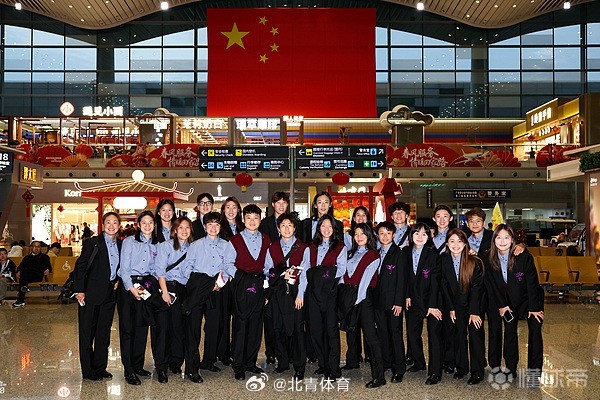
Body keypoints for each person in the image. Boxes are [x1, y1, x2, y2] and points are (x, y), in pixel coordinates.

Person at [465, 207, 525, 374]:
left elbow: (511, 245)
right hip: (476, 291)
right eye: (471, 221)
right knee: (483, 329)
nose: (475, 224)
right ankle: (489, 362)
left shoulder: (495, 237)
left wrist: (521, 245)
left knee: (502, 328)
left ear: (484, 222)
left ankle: (508, 365)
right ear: (467, 224)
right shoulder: (463, 240)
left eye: (478, 221)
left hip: (495, 291)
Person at [484, 224, 544, 384]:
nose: (502, 241)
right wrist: (502, 305)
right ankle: (511, 369)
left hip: (530, 299)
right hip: (507, 301)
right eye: (498, 237)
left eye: (506, 237)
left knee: (535, 330)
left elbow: (532, 283)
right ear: (494, 240)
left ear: (512, 240)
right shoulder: (489, 258)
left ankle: (534, 373)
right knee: (510, 331)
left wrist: (534, 308)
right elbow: (491, 285)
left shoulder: (523, 257)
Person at [183, 211, 236, 378]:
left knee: (214, 327)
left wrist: (220, 283)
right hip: (198, 288)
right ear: (205, 227)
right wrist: (195, 285)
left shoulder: (227, 245)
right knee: (193, 329)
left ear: (220, 227)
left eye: (217, 224)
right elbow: (188, 267)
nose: (213, 228)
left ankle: (208, 361)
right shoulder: (195, 245)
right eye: (210, 224)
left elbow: (229, 266)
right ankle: (192, 368)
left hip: (216, 289)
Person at [73, 212, 122, 381]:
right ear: (102, 225)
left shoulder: (121, 244)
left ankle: (100, 367)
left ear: (119, 226)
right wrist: (80, 290)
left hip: (109, 293)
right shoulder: (93, 243)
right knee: (87, 333)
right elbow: (80, 266)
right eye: (108, 222)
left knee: (103, 333)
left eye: (115, 223)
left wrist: (117, 279)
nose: (111, 226)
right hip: (90, 293)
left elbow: (119, 267)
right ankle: (88, 371)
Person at [338, 223, 385, 388]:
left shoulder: (373, 255)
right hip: (350, 297)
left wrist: (355, 302)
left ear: (369, 235)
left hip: (364, 299)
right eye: (356, 234)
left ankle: (379, 376)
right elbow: (343, 275)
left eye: (362, 234)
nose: (359, 237)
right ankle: (353, 362)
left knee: (371, 337)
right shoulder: (350, 253)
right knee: (351, 332)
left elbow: (366, 281)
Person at [116, 211, 160, 385]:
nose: (147, 226)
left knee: (142, 326)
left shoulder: (157, 244)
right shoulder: (129, 242)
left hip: (145, 286)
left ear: (154, 225)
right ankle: (129, 370)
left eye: (150, 222)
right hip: (129, 286)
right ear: (139, 225)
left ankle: (138, 365)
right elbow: (124, 268)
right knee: (128, 328)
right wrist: (131, 288)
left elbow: (155, 270)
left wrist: (148, 287)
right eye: (144, 222)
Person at [264, 213, 309, 380]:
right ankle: (282, 362)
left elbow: (305, 274)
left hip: (296, 292)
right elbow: (267, 270)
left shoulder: (303, 248)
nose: (287, 229)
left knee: (297, 329)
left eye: (290, 225)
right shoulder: (272, 248)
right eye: (283, 225)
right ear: (278, 228)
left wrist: (301, 295)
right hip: (278, 292)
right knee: (279, 327)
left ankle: (299, 366)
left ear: (294, 228)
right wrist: (281, 275)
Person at [229, 204, 270, 381]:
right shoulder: (235, 240)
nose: (252, 221)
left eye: (255, 218)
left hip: (260, 284)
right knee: (240, 325)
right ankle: (238, 365)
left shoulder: (266, 239)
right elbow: (228, 263)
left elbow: (268, 266)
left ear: (260, 220)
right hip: (242, 284)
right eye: (249, 218)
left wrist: (266, 290)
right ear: (243, 219)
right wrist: (241, 278)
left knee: (255, 326)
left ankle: (250, 362)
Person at [440, 229, 485, 385]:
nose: (456, 245)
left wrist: (474, 311)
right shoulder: (443, 260)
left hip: (474, 305)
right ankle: (461, 368)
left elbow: (477, 288)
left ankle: (477, 371)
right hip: (455, 305)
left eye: (460, 241)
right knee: (459, 335)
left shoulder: (475, 261)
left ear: (465, 243)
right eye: (452, 241)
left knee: (475, 336)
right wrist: (451, 308)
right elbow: (444, 286)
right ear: (447, 244)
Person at [155, 216, 197, 381]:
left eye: (187, 227)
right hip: (167, 288)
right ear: (174, 230)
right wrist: (165, 292)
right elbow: (160, 271)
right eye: (181, 228)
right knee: (163, 329)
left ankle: (175, 363)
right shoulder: (166, 246)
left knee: (178, 329)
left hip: (183, 291)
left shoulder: (193, 247)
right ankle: (161, 367)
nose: (184, 231)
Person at [306, 214, 346, 380]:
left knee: (331, 331)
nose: (327, 229)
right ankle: (323, 365)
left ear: (334, 229)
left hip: (330, 293)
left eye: (330, 226)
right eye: (323, 226)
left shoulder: (340, 247)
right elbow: (306, 270)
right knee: (316, 330)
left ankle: (334, 369)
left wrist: (320, 273)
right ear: (319, 228)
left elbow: (341, 269)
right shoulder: (311, 247)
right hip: (313, 294)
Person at [404, 222, 443, 385]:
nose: (420, 237)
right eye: (417, 233)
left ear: (429, 237)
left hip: (432, 301)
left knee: (434, 337)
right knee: (413, 334)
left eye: (424, 234)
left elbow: (435, 282)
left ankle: (435, 372)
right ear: (411, 235)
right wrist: (406, 295)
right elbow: (404, 277)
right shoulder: (405, 252)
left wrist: (432, 305)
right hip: (412, 300)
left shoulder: (433, 255)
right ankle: (419, 362)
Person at [259, 191, 291, 365]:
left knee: (287, 316)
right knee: (270, 316)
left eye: (284, 202)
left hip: (289, 278)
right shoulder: (265, 224)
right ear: (273, 205)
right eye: (278, 202)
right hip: (270, 275)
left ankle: (287, 351)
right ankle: (271, 352)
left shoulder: (293, 222)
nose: (281, 205)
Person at [373, 221, 406, 384]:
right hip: (378, 301)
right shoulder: (376, 253)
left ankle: (399, 369)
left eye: (388, 233)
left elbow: (402, 280)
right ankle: (387, 362)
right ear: (377, 236)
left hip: (393, 302)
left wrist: (399, 302)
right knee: (382, 334)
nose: (385, 236)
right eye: (381, 233)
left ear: (393, 235)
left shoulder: (398, 253)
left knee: (395, 334)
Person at [216, 196, 244, 367]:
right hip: (224, 277)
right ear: (223, 210)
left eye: (234, 207)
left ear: (238, 210)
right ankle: (223, 352)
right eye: (228, 207)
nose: (231, 210)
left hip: (240, 278)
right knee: (224, 317)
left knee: (239, 315)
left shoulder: (243, 227)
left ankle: (237, 349)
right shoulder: (219, 228)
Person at [431, 204, 456, 374]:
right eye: (438, 216)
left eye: (445, 216)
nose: (442, 219)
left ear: (451, 218)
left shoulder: (457, 237)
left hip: (452, 288)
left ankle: (450, 360)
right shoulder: (428, 239)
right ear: (434, 219)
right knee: (435, 327)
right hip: (434, 289)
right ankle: (437, 363)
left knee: (450, 326)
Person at [12, 241, 52, 308]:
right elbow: (20, 266)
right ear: (31, 248)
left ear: (40, 248)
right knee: (24, 275)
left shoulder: (45, 257)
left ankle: (21, 298)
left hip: (37, 275)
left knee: (23, 278)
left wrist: (48, 269)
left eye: (38, 247)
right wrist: (18, 271)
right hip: (27, 276)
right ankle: (21, 298)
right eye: (34, 246)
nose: (36, 248)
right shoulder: (27, 257)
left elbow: (49, 267)